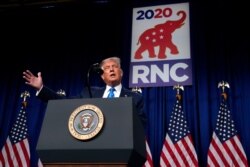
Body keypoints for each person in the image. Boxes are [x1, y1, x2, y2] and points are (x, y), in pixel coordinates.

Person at [23, 56, 147, 127]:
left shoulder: (134, 97)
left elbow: (141, 124)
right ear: (102, 76)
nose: (111, 70)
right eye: (107, 68)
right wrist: (41, 88)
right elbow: (64, 102)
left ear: (121, 73)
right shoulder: (89, 92)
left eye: (114, 67)